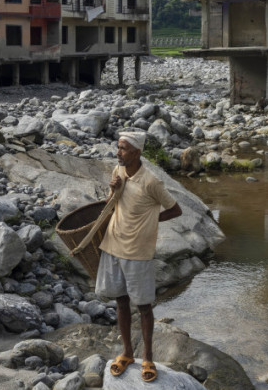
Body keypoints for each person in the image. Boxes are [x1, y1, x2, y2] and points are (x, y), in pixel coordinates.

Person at [95, 131, 182, 383]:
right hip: (113, 245)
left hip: (138, 251)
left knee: (143, 306)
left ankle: (148, 357)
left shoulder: (151, 182)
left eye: (123, 148)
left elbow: (175, 209)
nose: (118, 152)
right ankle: (127, 353)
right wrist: (113, 191)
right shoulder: (118, 171)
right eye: (118, 147)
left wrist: (151, 222)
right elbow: (111, 206)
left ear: (136, 152)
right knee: (121, 301)